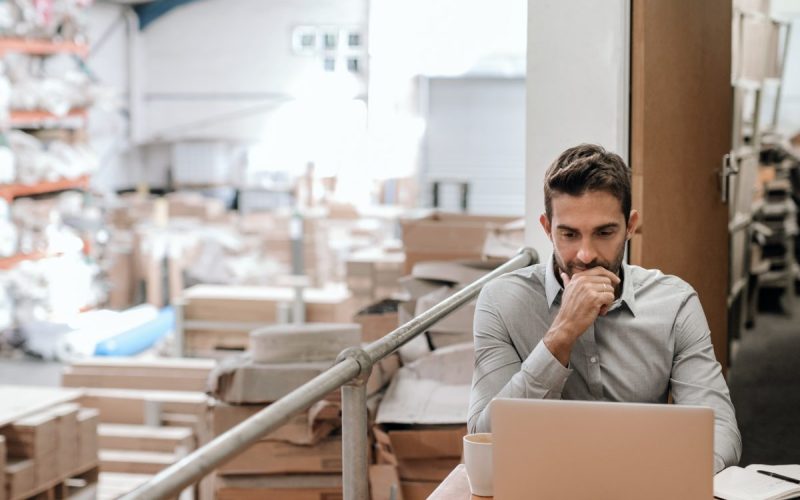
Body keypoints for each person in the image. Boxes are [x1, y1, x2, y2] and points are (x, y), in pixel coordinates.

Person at [467, 143, 741, 473]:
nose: (585, 254)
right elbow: (486, 442)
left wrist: (666, 480)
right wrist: (561, 335)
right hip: (541, 484)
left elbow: (720, 432)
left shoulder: (675, 303)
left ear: (630, 226)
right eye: (568, 234)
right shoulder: (501, 301)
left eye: (604, 232)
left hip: (647, 483)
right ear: (546, 228)